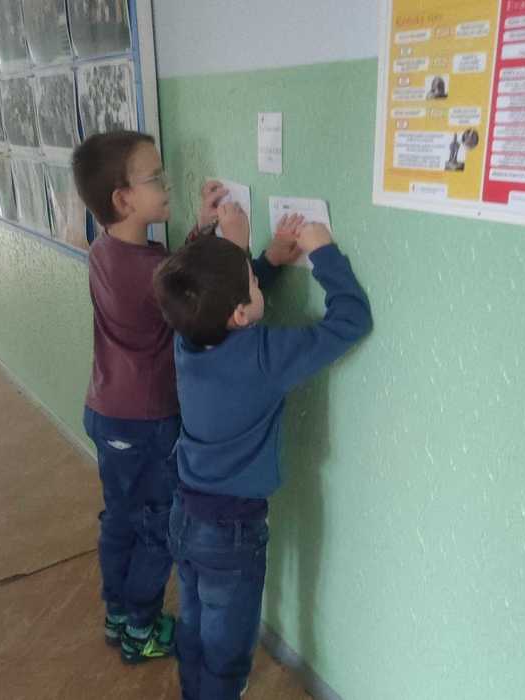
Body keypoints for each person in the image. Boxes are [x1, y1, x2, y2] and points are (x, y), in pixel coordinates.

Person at [153, 214, 373, 699]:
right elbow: (351, 320)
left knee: (195, 631)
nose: (258, 281)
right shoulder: (264, 355)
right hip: (231, 532)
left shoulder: (187, 340)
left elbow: (225, 307)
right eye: (253, 280)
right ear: (238, 313)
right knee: (227, 653)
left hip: (184, 517)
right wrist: (322, 251)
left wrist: (266, 261)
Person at [72, 131, 233, 664]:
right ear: (123, 199)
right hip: (146, 422)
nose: (167, 185)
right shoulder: (146, 271)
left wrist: (200, 228)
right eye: (156, 178)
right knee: (159, 528)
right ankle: (141, 627)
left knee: (120, 520)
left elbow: (168, 275)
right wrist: (230, 244)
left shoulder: (106, 248)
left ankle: (118, 614)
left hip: (106, 412)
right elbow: (197, 300)